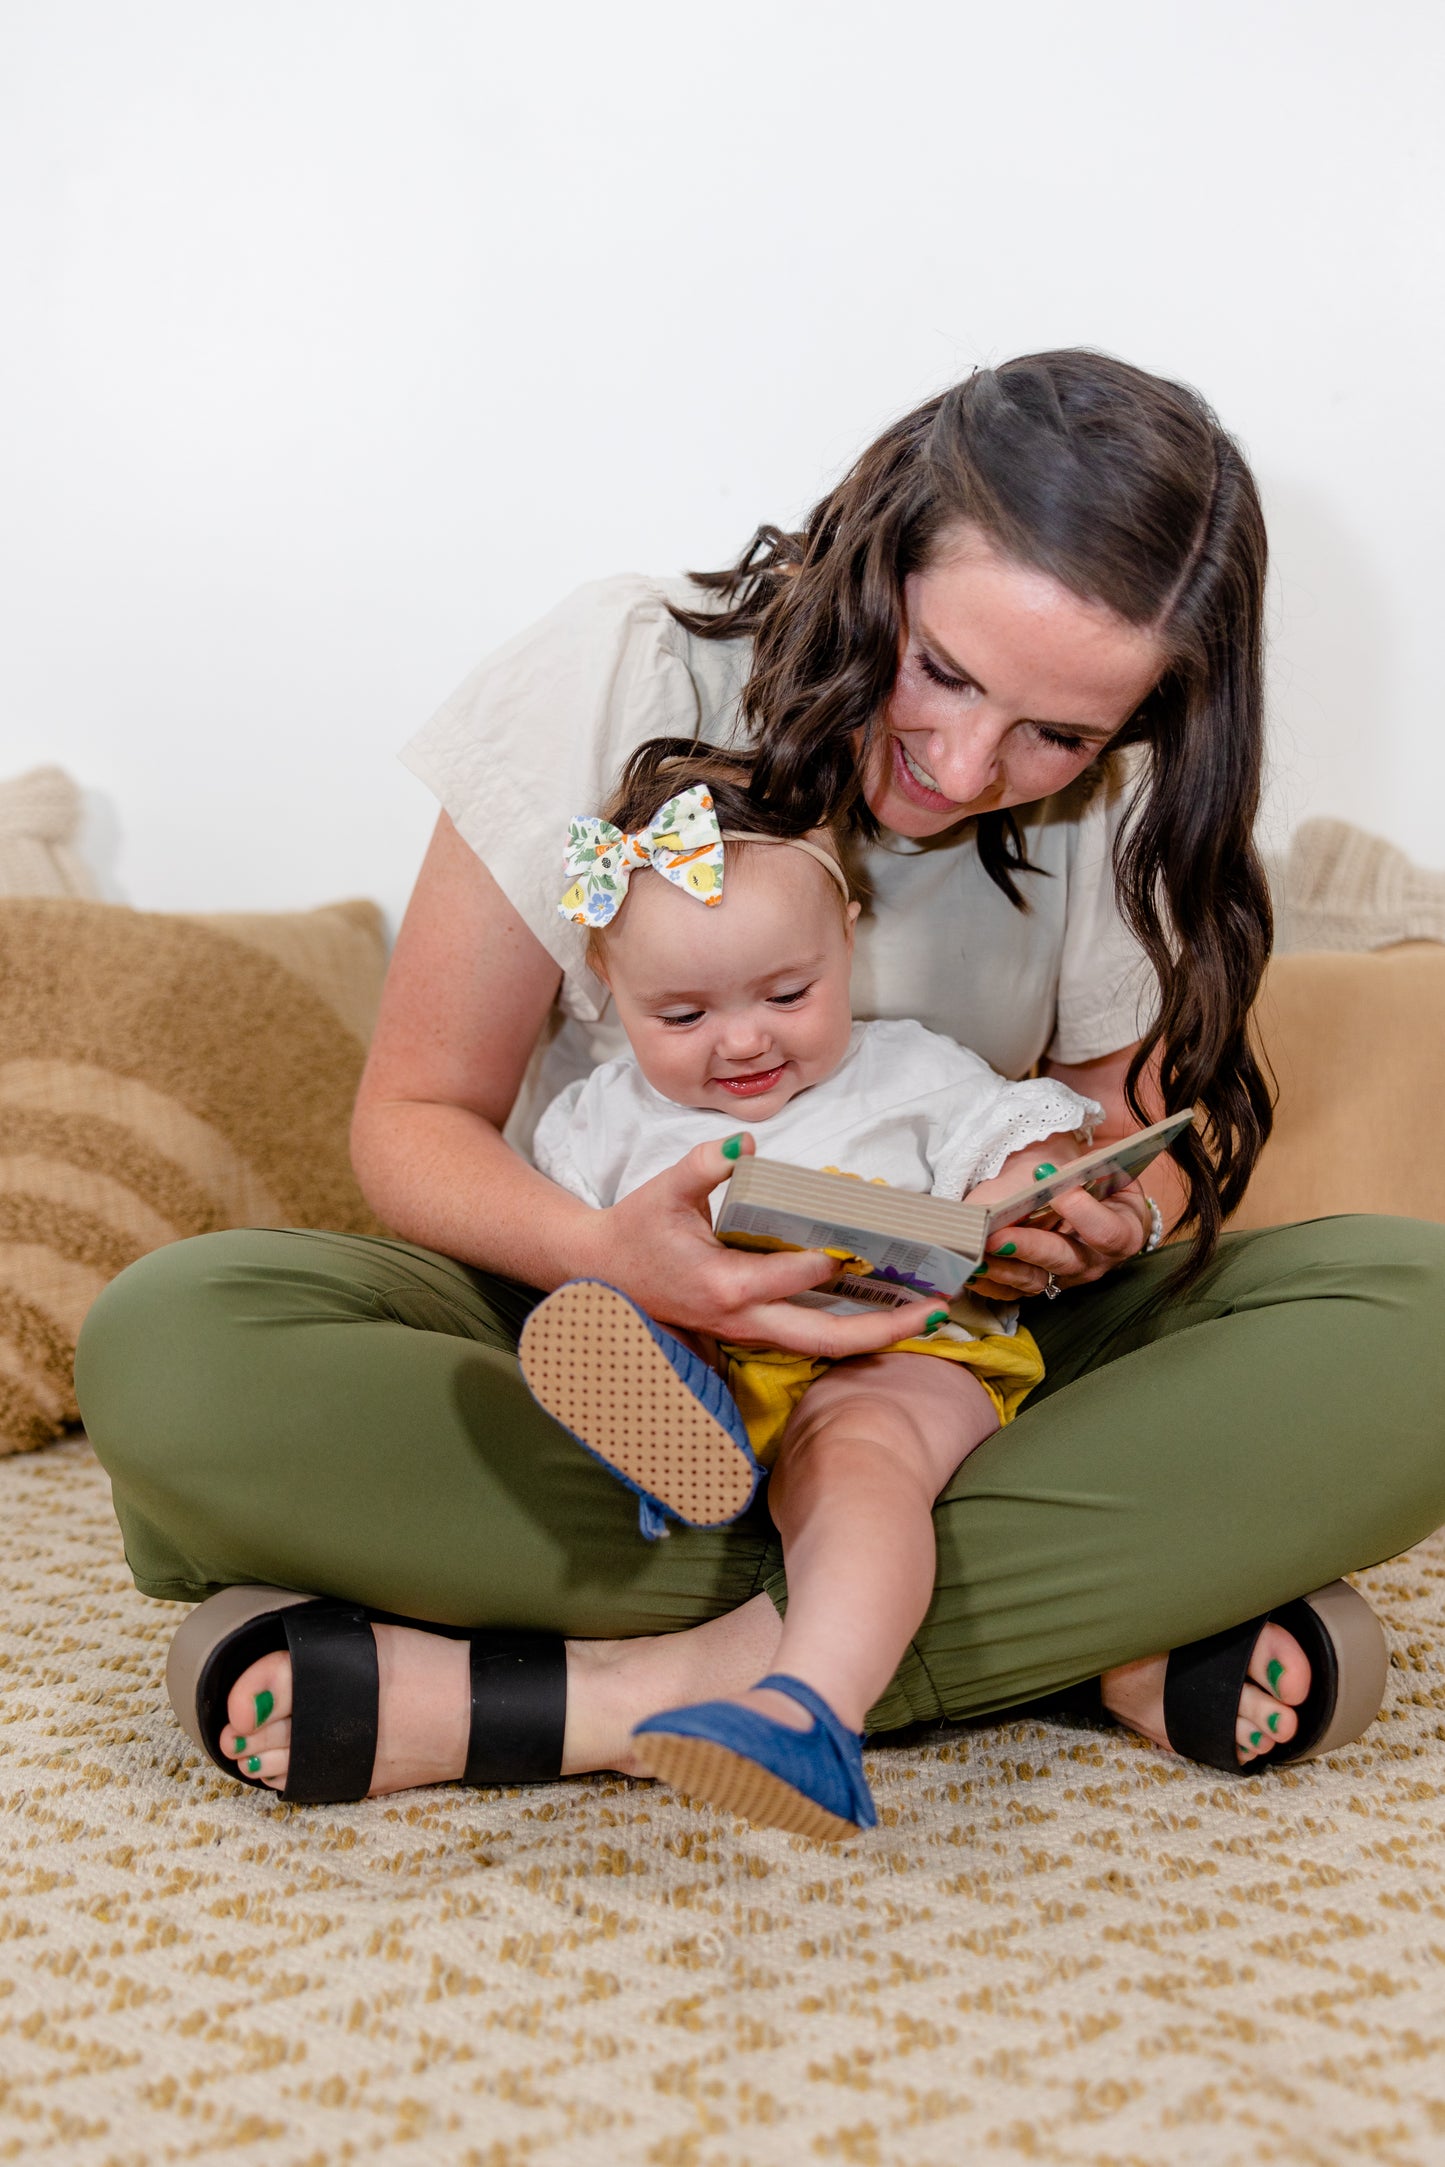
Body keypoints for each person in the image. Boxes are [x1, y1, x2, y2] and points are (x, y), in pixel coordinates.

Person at [75, 350, 1445, 1811]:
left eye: (1058, 732)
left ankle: (625, 1690)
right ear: (877, 560)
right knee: (176, 1336)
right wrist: (612, 1255)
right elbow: (416, 1122)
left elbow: (1124, 1132)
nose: (970, 763)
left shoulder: (1125, 791)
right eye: (944, 669)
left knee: (1415, 1313)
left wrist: (1094, 1213)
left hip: (950, 1357)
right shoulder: (625, 660)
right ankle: (1041, 1627)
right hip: (615, 1333)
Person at [518, 738, 1105, 1838]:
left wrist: (1014, 1194)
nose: (742, 1040)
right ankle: (673, 1443)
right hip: (724, 1362)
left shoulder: (910, 1070)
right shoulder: (597, 1119)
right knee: (610, 1312)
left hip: (896, 1347)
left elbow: (1028, 1134)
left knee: (856, 1454)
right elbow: (569, 1240)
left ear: (847, 937)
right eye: (681, 1017)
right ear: (609, 988)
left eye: (787, 993)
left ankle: (808, 1717)